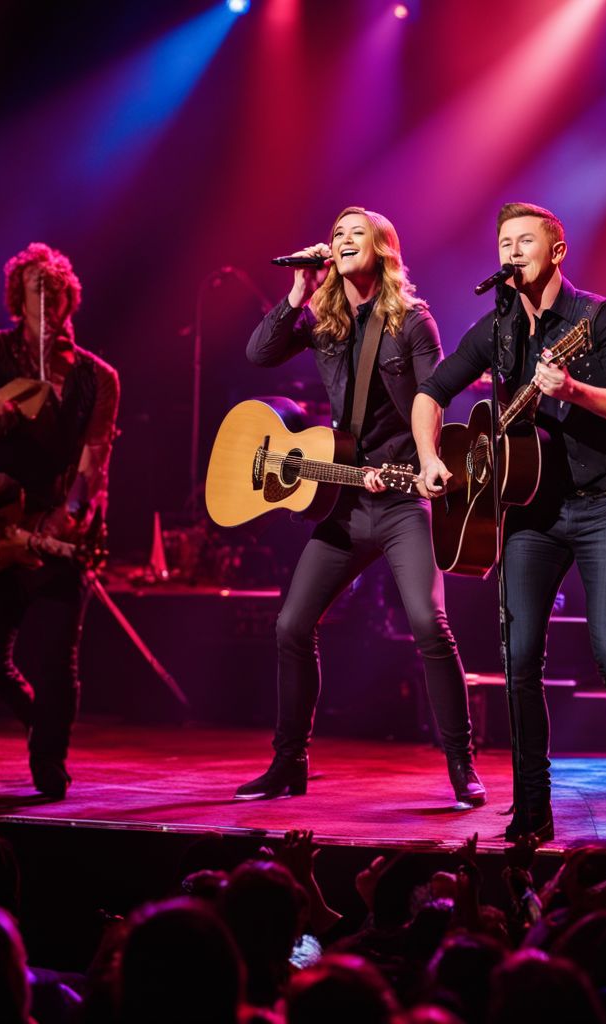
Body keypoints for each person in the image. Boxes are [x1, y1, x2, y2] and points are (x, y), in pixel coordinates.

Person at [412, 201, 606, 845]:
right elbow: (430, 392)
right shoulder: (495, 330)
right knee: (518, 660)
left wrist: (576, 392)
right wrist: (431, 457)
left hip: (603, 498)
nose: (510, 252)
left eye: (524, 241)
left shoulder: (599, 318)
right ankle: (532, 811)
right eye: (503, 243)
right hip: (530, 512)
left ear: (556, 251)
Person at [235, 206, 484, 807]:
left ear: (383, 248)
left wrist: (426, 458)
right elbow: (259, 355)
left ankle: (461, 764)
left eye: (356, 234)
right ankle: (289, 763)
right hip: (344, 502)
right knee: (291, 625)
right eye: (336, 235)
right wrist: (297, 292)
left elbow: (433, 395)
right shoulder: (324, 318)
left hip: (399, 498)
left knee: (429, 622)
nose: (343, 241)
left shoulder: (412, 321)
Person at [0, 242, 119, 799]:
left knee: (57, 656)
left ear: (69, 300)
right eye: (36, 290)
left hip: (54, 526)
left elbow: (95, 458)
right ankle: (39, 719)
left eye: (56, 290)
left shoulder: (98, 377)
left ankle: (49, 760)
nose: (47, 299)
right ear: (18, 298)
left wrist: (73, 516)